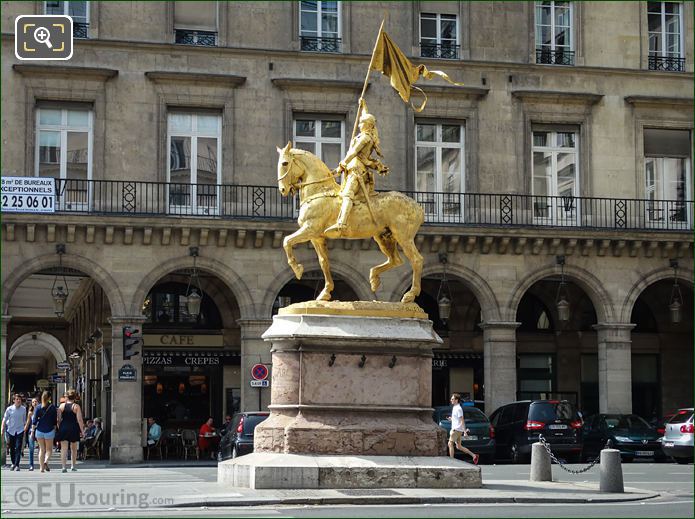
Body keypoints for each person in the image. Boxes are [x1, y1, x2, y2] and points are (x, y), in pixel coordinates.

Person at [324, 99, 389, 238]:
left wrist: (341, 165)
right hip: (353, 167)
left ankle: (341, 223)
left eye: (362, 122)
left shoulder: (365, 138)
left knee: (347, 195)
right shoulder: (367, 134)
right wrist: (364, 106)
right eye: (359, 122)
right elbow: (366, 117)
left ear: (368, 125)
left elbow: (353, 152)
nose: (359, 124)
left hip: (356, 170)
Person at [56, 389, 85, 473]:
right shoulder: (76, 406)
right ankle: (73, 465)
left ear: (66, 397)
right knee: (74, 448)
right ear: (74, 397)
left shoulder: (61, 406)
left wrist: (59, 427)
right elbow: (79, 420)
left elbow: (58, 419)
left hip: (64, 427)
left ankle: (64, 467)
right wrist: (82, 431)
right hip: (73, 427)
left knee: (64, 448)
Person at [448, 393, 479, 465]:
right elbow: (457, 419)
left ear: (456, 400)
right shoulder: (455, 407)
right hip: (458, 429)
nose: (451, 400)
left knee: (450, 443)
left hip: (456, 429)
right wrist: (452, 419)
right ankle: (474, 456)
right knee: (459, 446)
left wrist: (465, 431)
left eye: (452, 399)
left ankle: (451, 461)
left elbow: (462, 420)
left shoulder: (458, 408)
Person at [33, 391, 58, 473]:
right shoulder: (52, 408)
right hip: (49, 430)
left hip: (39, 431)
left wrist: (32, 431)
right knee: (49, 449)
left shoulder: (38, 407)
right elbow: (55, 421)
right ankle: (46, 461)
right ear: (50, 398)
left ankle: (41, 468)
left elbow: (34, 421)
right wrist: (55, 429)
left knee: (41, 449)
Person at [1, 394, 27, 471]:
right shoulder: (9, 409)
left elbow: (24, 420)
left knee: (18, 447)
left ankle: (17, 464)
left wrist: (25, 428)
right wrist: (2, 428)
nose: (18, 401)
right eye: (17, 399)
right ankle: (13, 463)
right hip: (11, 430)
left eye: (19, 399)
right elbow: (4, 419)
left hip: (20, 430)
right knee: (12, 447)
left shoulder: (23, 409)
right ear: (13, 400)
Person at [23, 398, 38, 471]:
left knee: (41, 449)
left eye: (36, 401)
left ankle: (42, 463)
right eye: (33, 402)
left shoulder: (41, 411)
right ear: (31, 404)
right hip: (31, 431)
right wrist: (24, 430)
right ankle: (31, 465)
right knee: (31, 448)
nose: (34, 403)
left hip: (39, 430)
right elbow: (28, 422)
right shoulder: (30, 412)